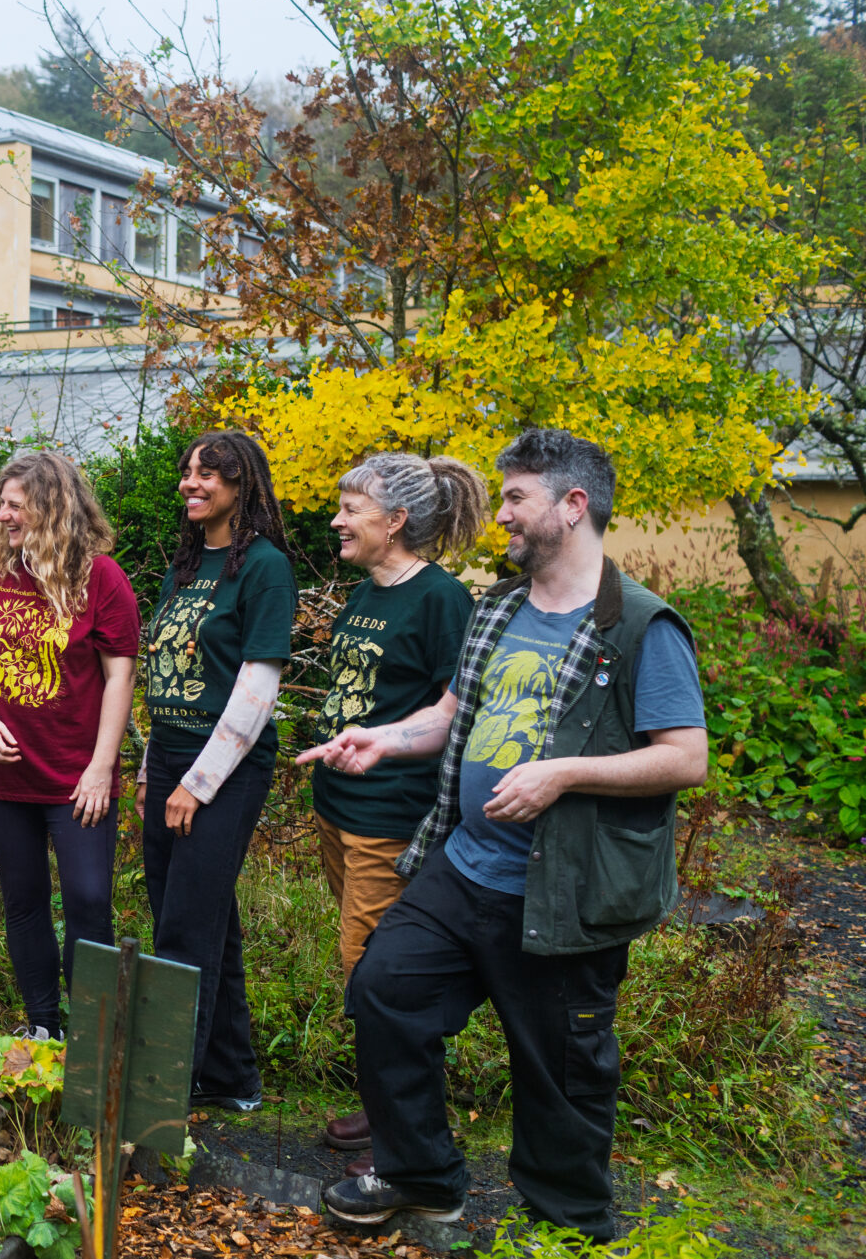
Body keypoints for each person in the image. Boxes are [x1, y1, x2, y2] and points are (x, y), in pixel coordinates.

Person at [299, 430, 707, 1241]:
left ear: (573, 505)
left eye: (517, 498)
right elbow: (451, 715)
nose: (502, 516)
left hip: (562, 893)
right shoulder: (498, 607)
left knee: (560, 1073)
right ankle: (422, 1177)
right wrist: (387, 737)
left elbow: (684, 758)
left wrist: (564, 774)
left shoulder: (639, 627)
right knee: (385, 989)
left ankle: (565, 1228)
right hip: (465, 864)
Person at [307, 453, 486, 1176]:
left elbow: (456, 710)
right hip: (337, 807)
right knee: (365, 968)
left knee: (378, 972)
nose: (337, 520)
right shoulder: (365, 592)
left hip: (391, 815)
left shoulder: (441, 599)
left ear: (396, 520)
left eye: (351, 509)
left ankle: (400, 1132)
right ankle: (383, 1103)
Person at [0, 450, 139, 1042]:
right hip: (5, 773)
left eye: (16, 505)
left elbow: (119, 676)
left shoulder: (100, 577)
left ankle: (93, 1034)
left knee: (88, 898)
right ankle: (43, 1026)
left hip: (75, 774)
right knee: (24, 901)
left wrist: (101, 768)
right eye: (1, 504)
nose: (3, 515)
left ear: (52, 508)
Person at [140, 431, 297, 1112]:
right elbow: (167, 674)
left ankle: (161, 1090)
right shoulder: (188, 564)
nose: (190, 482)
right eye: (186, 471)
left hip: (223, 767)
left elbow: (258, 684)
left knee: (182, 928)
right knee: (203, 919)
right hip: (170, 758)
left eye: (209, 473)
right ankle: (231, 1074)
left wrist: (197, 783)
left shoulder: (263, 567)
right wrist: (153, 765)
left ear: (242, 485)